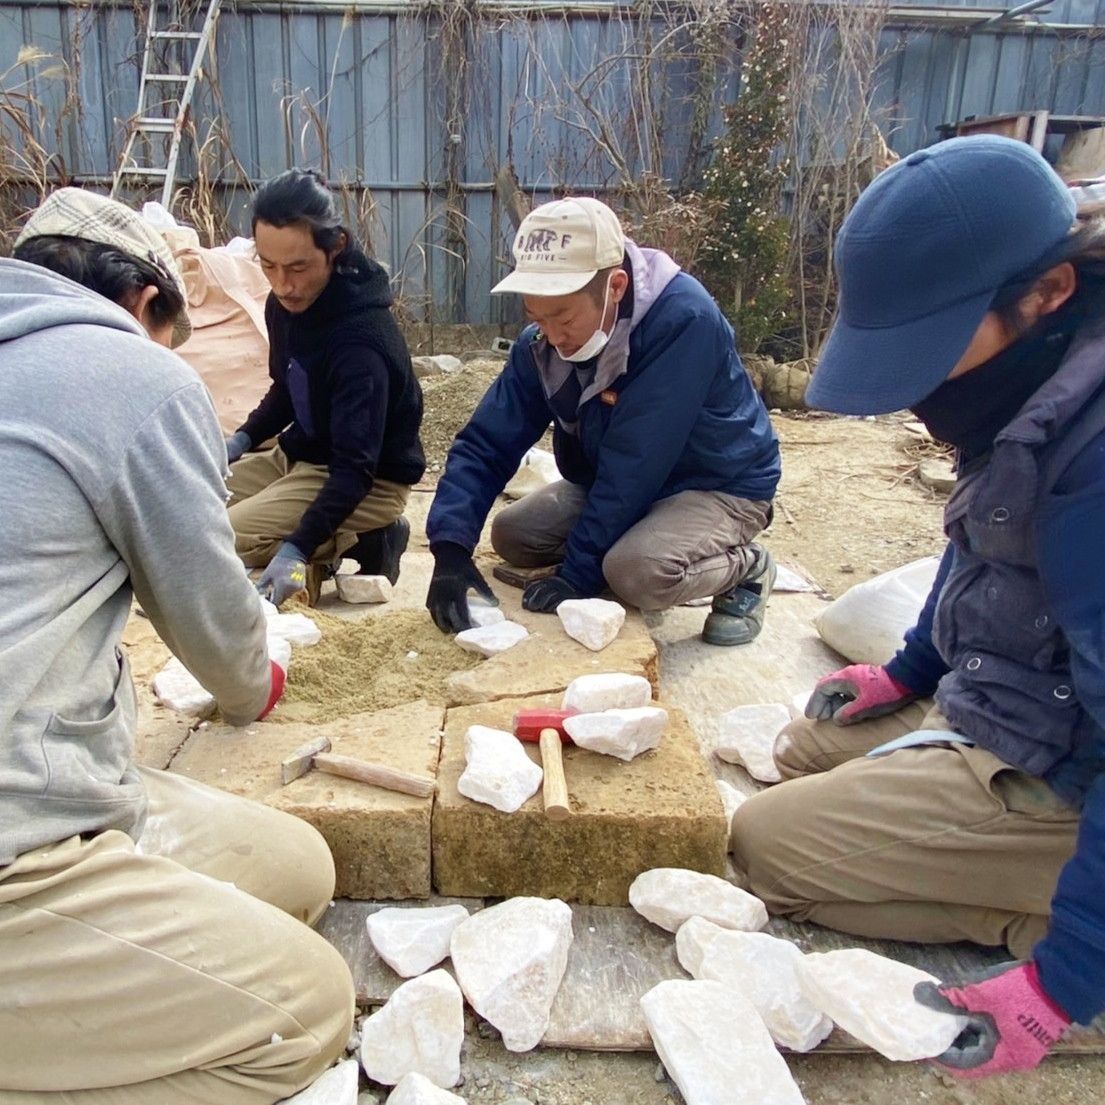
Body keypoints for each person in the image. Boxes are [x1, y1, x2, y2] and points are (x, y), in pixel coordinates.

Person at [730, 136, 1105, 1078]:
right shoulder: (1034, 379)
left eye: (932, 346)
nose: (918, 384)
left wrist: (1065, 980)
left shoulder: (1095, 467)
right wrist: (909, 671)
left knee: (766, 849)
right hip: (1030, 700)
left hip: (1073, 759)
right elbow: (985, 538)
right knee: (801, 746)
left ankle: (1055, 915)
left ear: (1046, 291)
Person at [0, 188, 354, 1103]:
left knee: (298, 872)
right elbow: (213, 626)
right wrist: (256, 681)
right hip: (15, 845)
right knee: (307, 1012)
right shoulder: (134, 376)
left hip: (58, 782)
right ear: (148, 302)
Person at [425, 197, 781, 644]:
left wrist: (577, 575)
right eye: (537, 317)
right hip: (623, 479)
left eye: (564, 317)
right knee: (513, 535)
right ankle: (635, 537)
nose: (551, 336)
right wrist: (450, 550)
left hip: (717, 483)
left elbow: (635, 464)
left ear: (615, 286)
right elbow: (486, 443)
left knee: (636, 572)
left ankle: (747, 567)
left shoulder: (683, 322)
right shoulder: (541, 344)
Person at [225, 169, 425, 606]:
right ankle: (321, 531)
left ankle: (367, 539)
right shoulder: (286, 306)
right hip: (302, 452)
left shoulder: (361, 343)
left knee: (227, 536)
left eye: (298, 267)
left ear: (336, 247)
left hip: (368, 479)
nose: (283, 285)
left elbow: (355, 467)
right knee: (193, 506)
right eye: (268, 266)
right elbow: (287, 388)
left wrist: (296, 548)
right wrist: (239, 441)